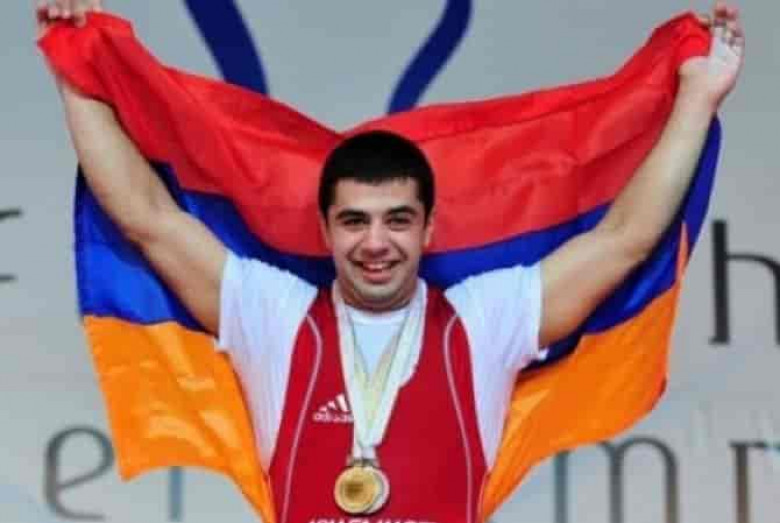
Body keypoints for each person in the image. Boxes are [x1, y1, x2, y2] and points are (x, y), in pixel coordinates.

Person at [36, 0, 744, 521]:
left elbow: (624, 238)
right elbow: (149, 219)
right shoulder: (272, 315)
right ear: (326, 228)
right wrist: (75, 73)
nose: (376, 242)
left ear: (428, 227)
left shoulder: (486, 319)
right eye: (355, 221)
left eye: (397, 220)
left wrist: (696, 96)